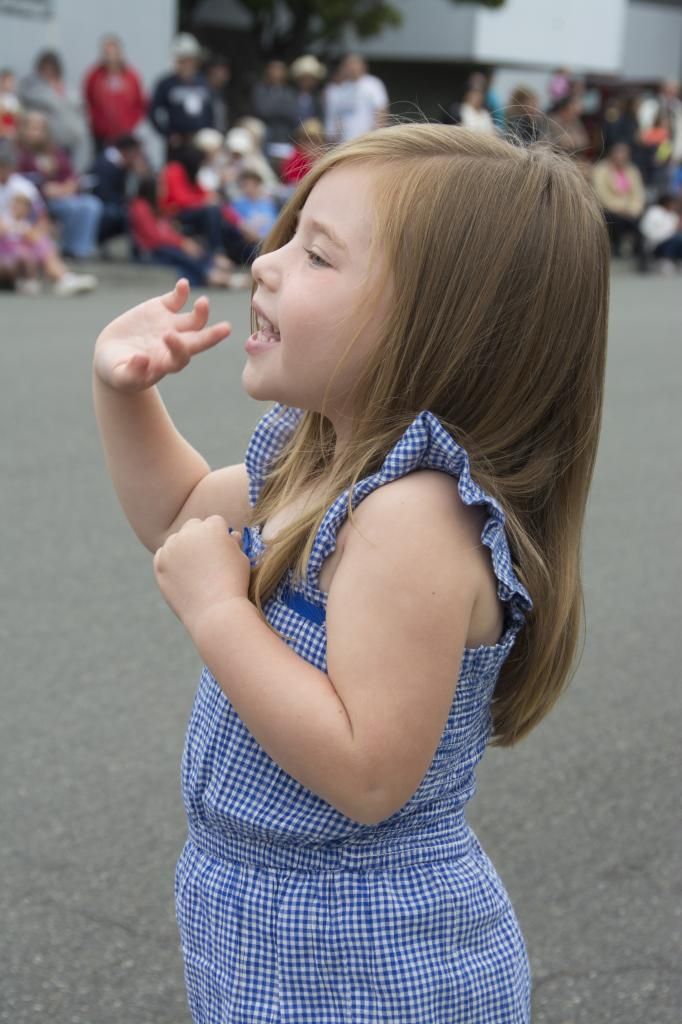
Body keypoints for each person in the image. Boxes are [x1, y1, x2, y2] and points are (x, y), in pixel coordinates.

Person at [93, 123, 609, 1023]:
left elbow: (368, 773)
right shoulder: (319, 462)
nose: (265, 262)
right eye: (289, 233)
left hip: (364, 957)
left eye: (317, 255)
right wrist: (125, 391)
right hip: (267, 924)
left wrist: (219, 614)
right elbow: (180, 517)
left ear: (443, 329)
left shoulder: (412, 520)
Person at [0, 137, 97, 295]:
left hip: (20, 237)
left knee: (40, 241)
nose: (4, 170)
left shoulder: (23, 187)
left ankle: (63, 278)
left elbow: (41, 218)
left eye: (6, 165)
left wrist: (34, 232)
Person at [128, 175, 248, 289]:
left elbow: (167, 230)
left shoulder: (156, 206)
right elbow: (154, 237)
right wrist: (181, 243)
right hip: (149, 251)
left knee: (194, 248)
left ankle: (213, 270)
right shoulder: (140, 206)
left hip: (162, 246)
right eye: (161, 186)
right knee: (180, 254)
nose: (164, 190)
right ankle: (211, 274)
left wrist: (182, 241)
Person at [16, 110, 103, 259]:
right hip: (38, 200)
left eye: (40, 129)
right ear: (23, 130)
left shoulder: (54, 152)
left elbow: (71, 174)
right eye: (32, 128)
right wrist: (44, 188)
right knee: (72, 207)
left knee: (92, 204)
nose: (36, 133)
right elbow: (19, 179)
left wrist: (69, 186)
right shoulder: (18, 153)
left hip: (64, 194)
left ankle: (78, 249)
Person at [18, 50, 88, 167]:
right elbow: (25, 95)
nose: (49, 72)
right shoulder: (36, 89)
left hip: (74, 137)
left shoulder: (68, 87)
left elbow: (79, 106)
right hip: (53, 138)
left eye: (51, 69)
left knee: (74, 168)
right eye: (45, 69)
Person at [150, 34, 214, 158]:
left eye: (189, 60)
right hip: (178, 143)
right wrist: (167, 134)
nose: (186, 65)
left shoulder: (203, 83)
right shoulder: (167, 84)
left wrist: (209, 133)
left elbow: (210, 111)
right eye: (182, 61)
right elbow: (153, 112)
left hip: (200, 142)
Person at [83, 34, 147, 153]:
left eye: (114, 53)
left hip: (126, 136)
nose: (111, 57)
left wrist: (131, 124)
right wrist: (97, 123)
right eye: (107, 53)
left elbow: (140, 103)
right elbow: (88, 100)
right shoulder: (95, 76)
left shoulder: (131, 76)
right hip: (101, 136)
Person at [592, 142, 647, 269]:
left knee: (637, 222)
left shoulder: (632, 170)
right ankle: (618, 249)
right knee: (619, 221)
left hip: (630, 211)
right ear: (611, 154)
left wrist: (633, 209)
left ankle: (641, 257)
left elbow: (638, 194)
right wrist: (621, 208)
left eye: (624, 154)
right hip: (609, 210)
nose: (621, 157)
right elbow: (601, 194)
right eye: (618, 153)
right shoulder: (601, 169)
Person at [324, 53, 388, 143]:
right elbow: (335, 118)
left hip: (367, 141)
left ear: (363, 66)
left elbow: (381, 112)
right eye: (348, 65)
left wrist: (376, 138)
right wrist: (333, 140)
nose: (351, 68)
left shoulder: (373, 84)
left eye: (354, 64)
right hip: (344, 143)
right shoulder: (340, 89)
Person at [250, 60, 299, 159]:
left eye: (279, 70)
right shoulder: (260, 90)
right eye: (274, 69)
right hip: (265, 137)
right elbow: (263, 110)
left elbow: (292, 113)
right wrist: (282, 107)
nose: (276, 73)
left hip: (285, 136)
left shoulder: (290, 92)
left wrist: (273, 107)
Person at [639, 193, 682, 272]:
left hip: (671, 241)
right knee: (677, 238)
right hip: (655, 243)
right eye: (673, 203)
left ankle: (677, 260)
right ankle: (664, 260)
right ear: (666, 202)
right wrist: (670, 233)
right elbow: (646, 229)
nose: (675, 205)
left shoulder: (673, 215)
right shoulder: (654, 212)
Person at [290, 54, 326, 125]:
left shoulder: (318, 97)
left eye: (310, 79)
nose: (307, 82)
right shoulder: (290, 95)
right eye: (304, 78)